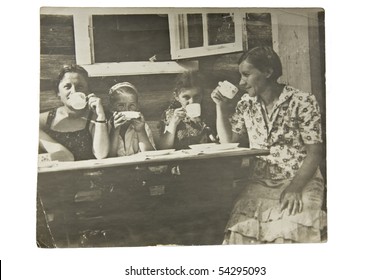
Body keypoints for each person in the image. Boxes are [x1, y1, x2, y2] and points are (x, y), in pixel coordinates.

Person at [211, 46, 327, 244]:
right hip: (260, 182)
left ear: (268, 72)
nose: (241, 82)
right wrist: (220, 108)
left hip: (300, 180)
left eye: (246, 75)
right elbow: (228, 142)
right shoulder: (246, 104)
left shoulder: (302, 101)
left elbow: (315, 152)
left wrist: (295, 187)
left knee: (290, 228)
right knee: (241, 230)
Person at [39, 64, 109, 161]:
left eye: (79, 86)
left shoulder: (94, 117)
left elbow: (101, 154)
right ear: (58, 92)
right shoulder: (46, 119)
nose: (74, 91)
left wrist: (100, 116)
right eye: (67, 87)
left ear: (88, 91)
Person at [159, 71, 217, 150]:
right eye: (186, 97)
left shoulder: (208, 114)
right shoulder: (170, 115)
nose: (192, 101)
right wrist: (173, 123)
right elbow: (164, 147)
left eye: (196, 97)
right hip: (179, 160)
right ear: (176, 97)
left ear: (202, 95)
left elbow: (216, 141)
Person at [108, 82, 155, 157]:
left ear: (137, 107)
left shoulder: (143, 126)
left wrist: (140, 131)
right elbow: (109, 157)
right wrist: (115, 130)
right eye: (121, 105)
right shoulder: (106, 127)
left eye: (132, 105)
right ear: (112, 108)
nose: (127, 109)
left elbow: (150, 156)